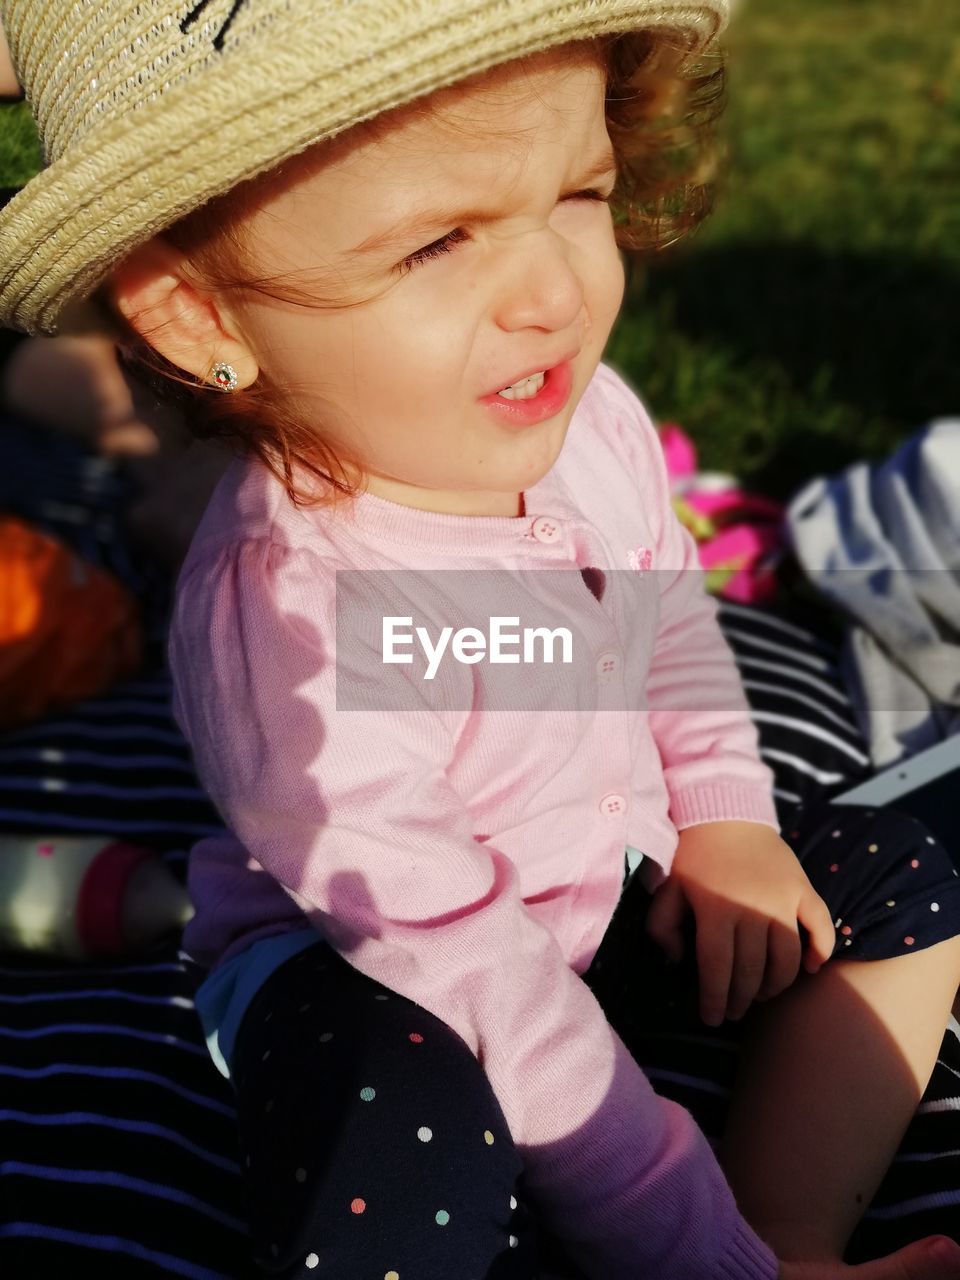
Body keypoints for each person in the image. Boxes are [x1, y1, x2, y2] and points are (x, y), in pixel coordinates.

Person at [1, 2, 959, 1278]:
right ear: (197, 320)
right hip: (393, 970)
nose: (559, 293)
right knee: (404, 1128)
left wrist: (729, 816)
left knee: (897, 877)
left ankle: (793, 1232)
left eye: (579, 192)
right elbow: (464, 957)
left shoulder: (590, 420)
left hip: (609, 888)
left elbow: (663, 610)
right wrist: (680, 1240)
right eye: (438, 242)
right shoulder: (294, 617)